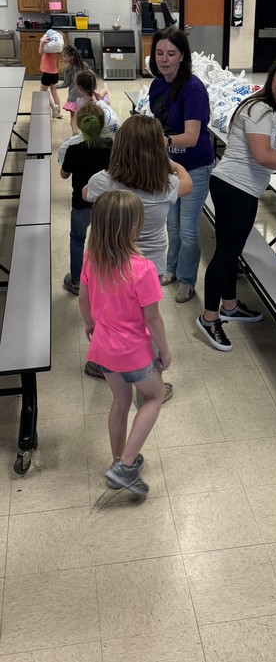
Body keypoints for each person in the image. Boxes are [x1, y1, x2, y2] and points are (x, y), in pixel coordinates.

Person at [197, 55, 276, 352]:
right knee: (225, 254)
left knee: (232, 251)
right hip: (233, 187)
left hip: (244, 189)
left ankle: (229, 306)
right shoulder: (258, 108)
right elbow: (263, 155)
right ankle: (209, 318)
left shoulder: (274, 110)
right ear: (271, 77)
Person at [83, 115, 193, 383]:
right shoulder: (167, 185)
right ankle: (149, 377)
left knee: (108, 312)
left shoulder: (103, 181)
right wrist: (172, 164)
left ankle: (105, 361)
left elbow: (86, 192)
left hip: (107, 257)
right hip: (149, 263)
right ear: (158, 149)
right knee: (147, 318)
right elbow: (188, 184)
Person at [78, 190, 171, 497]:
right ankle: (126, 465)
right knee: (154, 396)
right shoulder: (142, 269)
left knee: (120, 402)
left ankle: (118, 460)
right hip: (133, 352)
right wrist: (165, 350)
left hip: (103, 348)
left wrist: (90, 324)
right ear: (134, 228)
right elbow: (152, 318)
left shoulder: (91, 258)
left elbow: (83, 298)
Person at [149, 27, 214, 304]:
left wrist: (157, 141)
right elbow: (158, 123)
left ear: (182, 56)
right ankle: (172, 268)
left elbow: (191, 137)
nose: (164, 59)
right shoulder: (157, 85)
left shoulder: (193, 89)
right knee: (171, 224)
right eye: (159, 53)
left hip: (195, 165)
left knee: (188, 228)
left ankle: (187, 280)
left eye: (171, 54)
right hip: (169, 165)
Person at [60, 102, 113, 295]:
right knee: (107, 240)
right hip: (106, 204)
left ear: (81, 125)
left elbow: (64, 174)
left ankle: (76, 280)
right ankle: (107, 280)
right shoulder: (110, 146)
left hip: (81, 204)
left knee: (77, 238)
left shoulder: (74, 149)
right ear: (102, 124)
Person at [58, 45, 93, 134]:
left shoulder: (68, 68)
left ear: (72, 57)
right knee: (84, 116)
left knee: (73, 117)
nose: (63, 58)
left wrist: (55, 86)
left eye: (64, 56)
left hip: (73, 98)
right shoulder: (84, 65)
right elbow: (91, 76)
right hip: (85, 96)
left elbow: (66, 84)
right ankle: (85, 132)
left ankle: (75, 132)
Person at [75, 70, 119, 137]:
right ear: (95, 85)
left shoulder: (79, 102)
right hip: (107, 136)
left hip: (90, 136)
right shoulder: (103, 100)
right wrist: (102, 93)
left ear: (80, 88)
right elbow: (107, 97)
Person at [39, 28, 64, 119]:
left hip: (47, 72)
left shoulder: (48, 47)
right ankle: (58, 112)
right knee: (54, 92)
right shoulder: (57, 49)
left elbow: (40, 51)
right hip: (54, 72)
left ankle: (53, 107)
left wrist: (42, 42)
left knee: (43, 92)